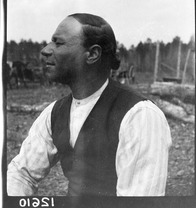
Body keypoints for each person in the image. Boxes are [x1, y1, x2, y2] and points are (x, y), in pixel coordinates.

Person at [7, 13, 172, 196]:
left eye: (58, 43)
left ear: (92, 54)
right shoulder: (55, 112)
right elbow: (21, 174)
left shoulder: (140, 116)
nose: (45, 50)